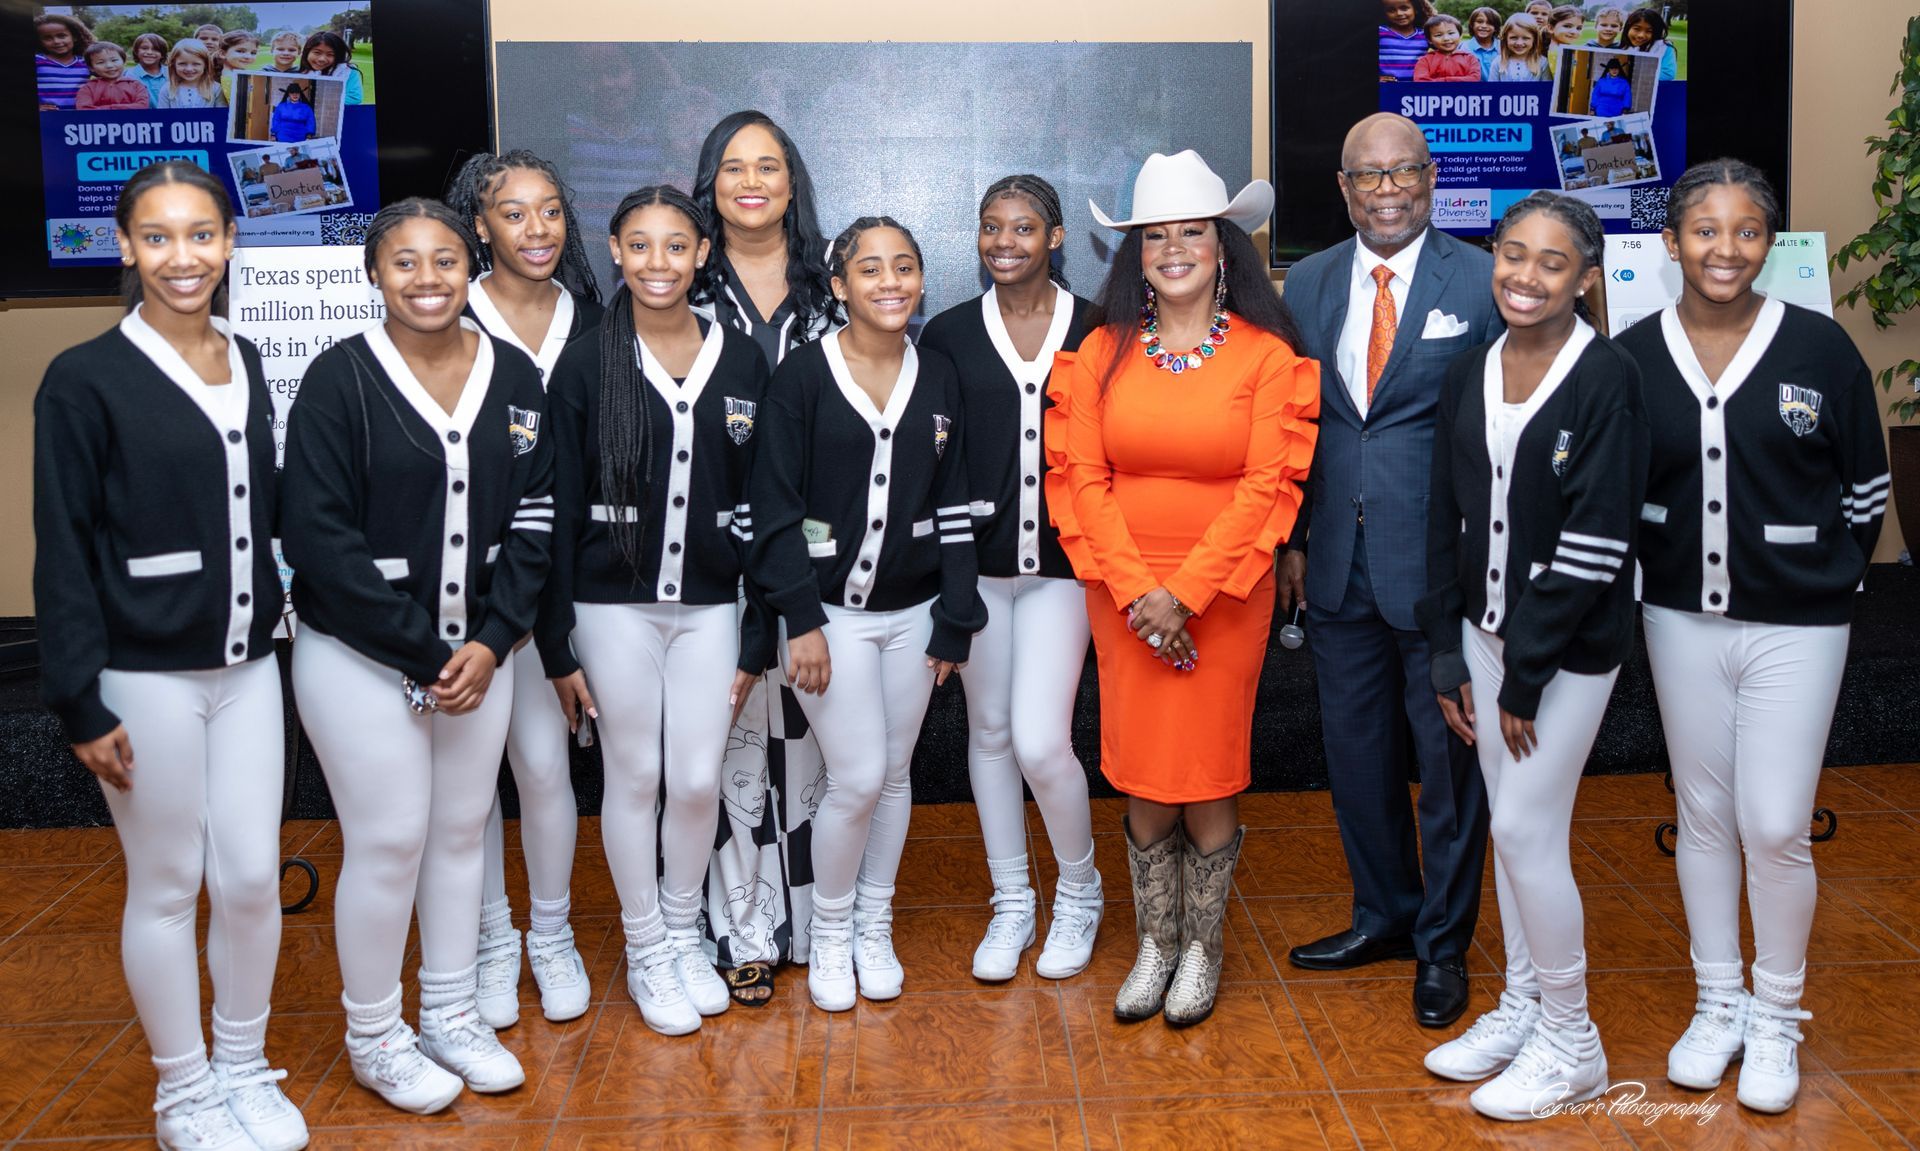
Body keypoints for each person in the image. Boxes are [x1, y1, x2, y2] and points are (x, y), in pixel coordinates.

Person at [34, 160, 306, 1151]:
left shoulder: (250, 356)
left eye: (201, 235)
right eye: (158, 236)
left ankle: (243, 1064)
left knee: (247, 876)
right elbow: (61, 542)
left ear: (230, 244)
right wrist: (77, 699)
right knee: (165, 879)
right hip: (141, 676)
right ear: (126, 247)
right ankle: (183, 1089)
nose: (182, 257)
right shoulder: (85, 378)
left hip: (247, 669)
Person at [1617, 160, 1890, 1114]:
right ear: (1671, 242)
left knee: (1774, 823)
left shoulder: (1820, 350)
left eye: (1745, 232)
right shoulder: (1635, 354)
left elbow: (1865, 489)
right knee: (1703, 814)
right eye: (1704, 230)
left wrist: (1822, 570)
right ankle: (1718, 1000)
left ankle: (1778, 1013)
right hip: (1678, 616)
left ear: (1769, 243)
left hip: (1799, 622)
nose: (1724, 249)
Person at [281, 198, 552, 1114]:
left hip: (481, 656)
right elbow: (317, 537)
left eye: (445, 261)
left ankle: (449, 1011)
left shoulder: (513, 376)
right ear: (374, 274)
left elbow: (537, 520)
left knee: (461, 832)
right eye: (405, 263)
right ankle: (375, 1034)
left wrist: (491, 638)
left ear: (471, 266)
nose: (427, 279)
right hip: (360, 654)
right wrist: (426, 650)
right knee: (391, 838)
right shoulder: (338, 379)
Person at [1053, 150, 1318, 1026]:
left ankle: (1202, 946)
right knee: (1140, 769)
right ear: (1135, 252)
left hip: (1226, 592)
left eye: (1191, 233)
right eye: (1155, 235)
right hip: (1122, 590)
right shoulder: (1097, 353)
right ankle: (1155, 943)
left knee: (1205, 770)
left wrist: (1186, 594)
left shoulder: (1267, 356)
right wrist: (1140, 592)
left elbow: (1268, 487)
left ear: (1223, 245)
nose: (1173, 249)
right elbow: (1079, 478)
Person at [1416, 191, 1648, 1121]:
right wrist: (1447, 648)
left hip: (1567, 652)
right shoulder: (1471, 371)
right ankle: (1521, 1004)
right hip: (1482, 637)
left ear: (1586, 277)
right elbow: (1444, 519)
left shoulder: (1609, 379)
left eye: (1553, 262)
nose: (1526, 275)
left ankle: (1573, 1039)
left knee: (1521, 831)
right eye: (1513, 254)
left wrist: (1528, 669)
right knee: (1514, 824)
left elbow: (1598, 539)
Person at [1278, 113, 1499, 1028]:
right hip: (1334, 567)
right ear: (1343, 187)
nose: (1387, 190)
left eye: (1403, 172)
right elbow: (1295, 423)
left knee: (1449, 768)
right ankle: (1384, 915)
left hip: (1439, 569)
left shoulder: (1484, 281)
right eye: (1367, 177)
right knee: (1358, 756)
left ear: (1431, 176)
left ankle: (1444, 945)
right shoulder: (1313, 282)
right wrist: (1292, 539)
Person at [540, 185, 769, 1033]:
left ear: (703, 253)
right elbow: (557, 508)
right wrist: (555, 644)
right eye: (640, 246)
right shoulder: (585, 361)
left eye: (677, 246)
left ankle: (681, 929)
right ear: (614, 250)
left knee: (699, 774)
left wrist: (758, 629)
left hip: (712, 605)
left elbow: (764, 507)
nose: (659, 263)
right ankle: (645, 947)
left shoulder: (742, 359)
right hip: (611, 605)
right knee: (635, 774)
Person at [748, 216, 986, 1012]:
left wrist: (957, 613)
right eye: (871, 269)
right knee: (854, 777)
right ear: (839, 283)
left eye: (906, 267)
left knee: (891, 775)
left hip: (915, 617)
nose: (890, 282)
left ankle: (874, 923)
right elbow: (774, 510)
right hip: (829, 622)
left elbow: (953, 503)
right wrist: (800, 619)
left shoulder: (940, 373)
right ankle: (830, 926)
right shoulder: (803, 379)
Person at [918, 175, 1102, 983]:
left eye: (1023, 228)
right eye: (991, 227)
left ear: (1055, 237)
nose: (1004, 242)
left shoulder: (1099, 329)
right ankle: (1013, 900)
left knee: (1040, 740)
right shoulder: (950, 335)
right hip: (980, 569)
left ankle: (1081, 891)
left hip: (1065, 569)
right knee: (987, 734)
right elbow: (934, 458)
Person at [442, 149, 606, 1030]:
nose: (536, 230)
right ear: (479, 226)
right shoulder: (444, 311)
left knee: (545, 769)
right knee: (466, 796)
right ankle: (492, 937)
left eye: (550, 211)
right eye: (514, 213)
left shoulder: (596, 321)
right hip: (468, 597)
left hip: (559, 589)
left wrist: (563, 627)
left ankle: (551, 932)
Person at [690, 110, 836, 1006]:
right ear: (710, 183)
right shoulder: (680, 291)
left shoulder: (835, 292)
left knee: (815, 753)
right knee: (732, 754)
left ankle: (816, 923)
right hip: (714, 563)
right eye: (734, 166)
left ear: (793, 183)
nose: (752, 181)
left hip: (821, 564)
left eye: (769, 165)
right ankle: (738, 925)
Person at [35, 13, 93, 110]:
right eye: (47, 38)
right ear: (40, 41)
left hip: (79, 120)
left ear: (74, 37)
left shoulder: (86, 62)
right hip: (47, 120)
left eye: (61, 36)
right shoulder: (37, 61)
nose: (56, 41)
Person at [74, 42, 150, 110]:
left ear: (124, 62)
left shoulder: (137, 86)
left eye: (114, 60)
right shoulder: (87, 89)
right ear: (92, 68)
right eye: (100, 62)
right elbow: (84, 110)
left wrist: (111, 108)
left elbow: (142, 106)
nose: (109, 65)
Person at [158, 38, 225, 109]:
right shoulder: (167, 89)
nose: (189, 69)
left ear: (205, 65)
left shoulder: (216, 89)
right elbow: (162, 117)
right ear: (174, 64)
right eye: (182, 64)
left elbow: (222, 116)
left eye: (196, 64)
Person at [300, 31, 363, 105]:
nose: (322, 59)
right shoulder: (297, 71)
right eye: (317, 52)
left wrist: (317, 99)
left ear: (338, 56)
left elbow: (354, 98)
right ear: (307, 52)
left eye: (330, 54)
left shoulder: (348, 71)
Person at [1414, 14, 1481, 83]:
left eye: (1451, 33)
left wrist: (1443, 81)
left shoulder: (1470, 59)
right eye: (1438, 35)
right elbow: (1421, 82)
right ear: (1430, 40)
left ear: (1460, 36)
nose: (1446, 38)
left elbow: (1474, 79)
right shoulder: (1425, 61)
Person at [1379, 0, 1434, 81]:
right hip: (1387, 89)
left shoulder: (1425, 34)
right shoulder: (1381, 32)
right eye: (1391, 10)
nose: (1399, 13)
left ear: (1416, 9)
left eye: (1404, 8)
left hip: (1415, 90)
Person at [1492, 13, 1553, 82]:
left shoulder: (1543, 62)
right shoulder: (1498, 62)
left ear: (1534, 39)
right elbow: (1491, 90)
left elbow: (1546, 90)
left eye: (1525, 38)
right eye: (1513, 38)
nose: (1519, 43)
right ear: (1505, 38)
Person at [1625, 7, 1678, 81]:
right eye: (1637, 29)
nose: (1641, 35)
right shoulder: (1621, 47)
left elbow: (1667, 74)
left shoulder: (1664, 47)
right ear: (1628, 28)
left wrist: (1632, 73)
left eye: (1649, 31)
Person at [1465, 7, 1503, 79]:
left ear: (1496, 28)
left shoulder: (1503, 47)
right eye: (1479, 21)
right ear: (1472, 25)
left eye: (1490, 23)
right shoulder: (1464, 48)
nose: (1484, 26)